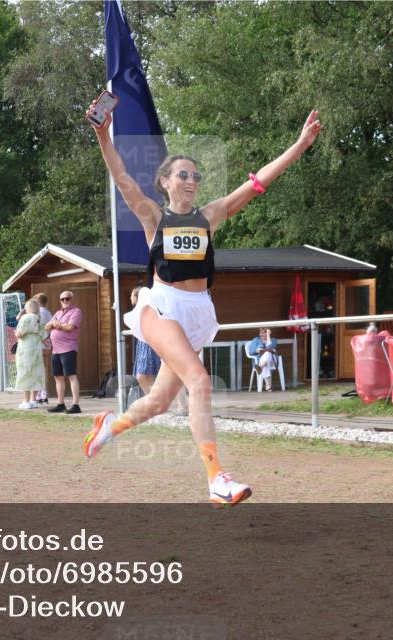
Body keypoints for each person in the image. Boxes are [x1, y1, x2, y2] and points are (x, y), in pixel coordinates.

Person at [81, 101, 322, 505]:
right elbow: (122, 178)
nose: (191, 180)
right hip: (161, 307)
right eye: (183, 174)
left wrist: (298, 147)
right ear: (165, 182)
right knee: (200, 382)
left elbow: (258, 182)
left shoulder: (209, 217)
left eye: (196, 175)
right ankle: (216, 477)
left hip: (197, 313)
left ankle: (108, 427)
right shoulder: (154, 217)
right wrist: (103, 134)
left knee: (158, 402)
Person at [45, 290, 82, 414]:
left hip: (68, 348)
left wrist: (57, 325)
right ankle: (61, 403)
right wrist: (54, 324)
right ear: (60, 301)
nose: (65, 301)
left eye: (67, 298)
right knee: (58, 377)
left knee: (71, 375)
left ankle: (76, 404)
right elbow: (47, 326)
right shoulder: (57, 312)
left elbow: (70, 327)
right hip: (56, 350)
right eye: (62, 299)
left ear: (72, 299)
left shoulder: (76, 312)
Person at [14, 299, 46, 409]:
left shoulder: (26, 317)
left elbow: (20, 334)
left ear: (28, 307)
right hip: (36, 348)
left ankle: (26, 401)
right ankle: (33, 400)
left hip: (26, 348)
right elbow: (44, 335)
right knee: (36, 372)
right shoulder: (39, 318)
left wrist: (16, 333)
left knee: (25, 372)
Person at [129, 287, 161, 396]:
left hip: (148, 343)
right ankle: (153, 400)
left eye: (132, 295)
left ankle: (152, 399)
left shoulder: (146, 309)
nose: (130, 297)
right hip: (143, 343)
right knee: (147, 376)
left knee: (142, 375)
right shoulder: (139, 310)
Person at [34, 292, 53, 404]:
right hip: (47, 342)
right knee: (44, 367)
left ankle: (40, 393)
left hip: (39, 342)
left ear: (38, 301)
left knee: (38, 368)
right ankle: (44, 392)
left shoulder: (38, 313)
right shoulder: (49, 313)